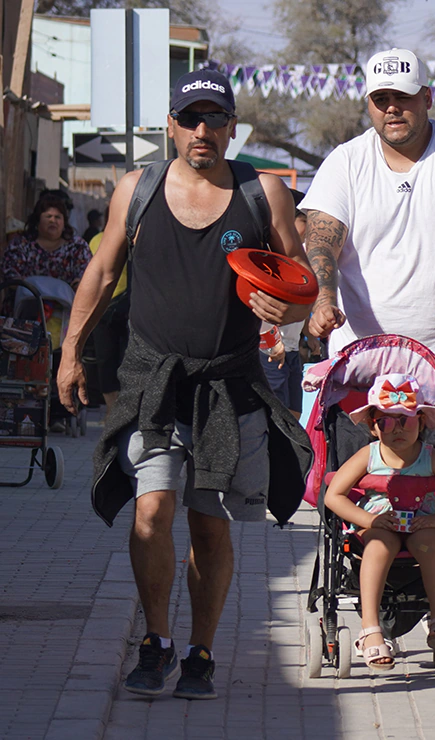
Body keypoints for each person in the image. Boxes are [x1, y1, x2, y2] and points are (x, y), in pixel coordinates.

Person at [56, 69, 314, 701]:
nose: (203, 131)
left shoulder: (264, 193)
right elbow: (101, 273)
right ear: (171, 125)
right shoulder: (136, 190)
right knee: (151, 510)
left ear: (231, 127)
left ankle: (199, 652)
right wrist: (70, 354)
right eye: (191, 118)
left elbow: (299, 277)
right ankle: (156, 643)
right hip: (153, 382)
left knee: (209, 527)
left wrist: (293, 308)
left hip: (229, 384)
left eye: (215, 119)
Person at [301, 47, 435, 486]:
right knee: (359, 498)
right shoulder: (346, 161)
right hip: (361, 370)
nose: (392, 108)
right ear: (369, 104)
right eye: (381, 99)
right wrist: (322, 300)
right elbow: (321, 239)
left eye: (404, 97)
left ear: (427, 98)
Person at [322, 373, 435, 670]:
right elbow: (334, 495)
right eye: (386, 422)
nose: (396, 429)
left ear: (420, 422)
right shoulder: (368, 456)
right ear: (373, 427)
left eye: (404, 420)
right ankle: (370, 630)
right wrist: (370, 519)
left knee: (431, 543)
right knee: (380, 544)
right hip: (379, 525)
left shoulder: (431, 458)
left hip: (424, 525)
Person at [262, 190, 313, 418]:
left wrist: (309, 335)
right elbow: (260, 308)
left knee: (294, 414)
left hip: (291, 349)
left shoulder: (301, 258)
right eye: (305, 222)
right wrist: (272, 342)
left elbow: (303, 302)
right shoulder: (268, 258)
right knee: (277, 415)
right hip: (271, 351)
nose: (310, 230)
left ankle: (291, 454)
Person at [86, 208, 130, 413]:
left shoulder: (136, 238)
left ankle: (123, 414)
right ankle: (113, 414)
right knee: (105, 362)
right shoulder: (97, 240)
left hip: (131, 309)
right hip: (103, 309)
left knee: (126, 362)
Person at [2, 191, 92, 288]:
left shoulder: (77, 247)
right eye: (48, 216)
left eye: (57, 217)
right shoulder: (20, 245)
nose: (53, 220)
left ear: (64, 223)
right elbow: (10, 275)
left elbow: (88, 277)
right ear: (37, 221)